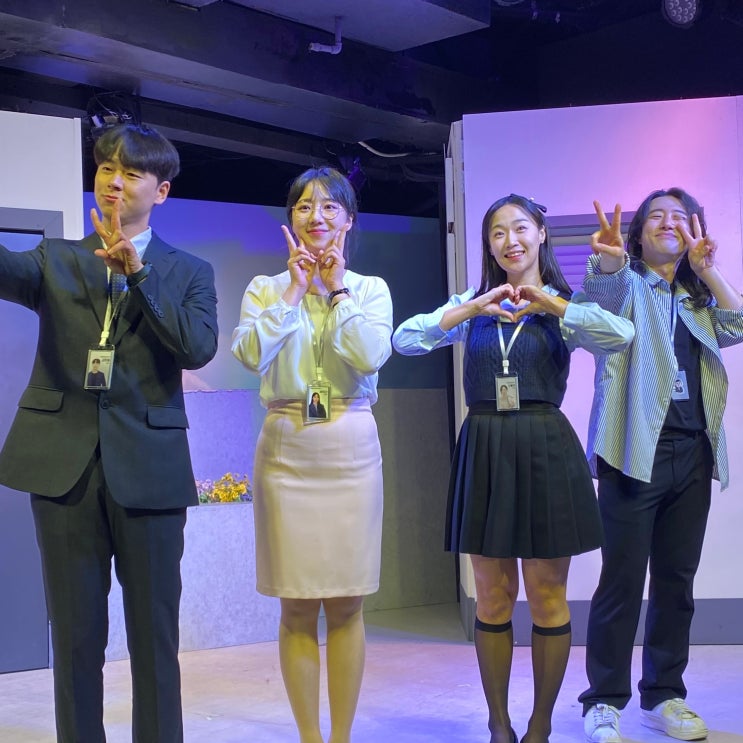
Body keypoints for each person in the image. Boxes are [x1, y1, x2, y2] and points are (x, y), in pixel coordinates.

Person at [0, 123, 219, 743]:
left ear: (161, 190)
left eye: (130, 172)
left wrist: (139, 273)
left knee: (154, 636)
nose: (113, 182)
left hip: (149, 469)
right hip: (62, 468)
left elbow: (196, 347)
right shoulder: (57, 259)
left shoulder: (189, 271)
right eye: (104, 169)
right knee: (75, 637)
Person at [393, 194, 634, 743]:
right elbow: (405, 340)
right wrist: (473, 308)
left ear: (541, 234)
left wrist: (550, 304)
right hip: (485, 446)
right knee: (493, 594)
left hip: (546, 447)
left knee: (547, 595)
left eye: (520, 228)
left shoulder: (565, 306)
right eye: (498, 232)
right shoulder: (472, 304)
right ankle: (498, 723)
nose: (510, 241)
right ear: (489, 244)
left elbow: (621, 337)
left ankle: (540, 725)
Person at [231, 166, 393, 743]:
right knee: (296, 607)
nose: (316, 216)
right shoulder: (266, 287)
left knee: (347, 604)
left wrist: (337, 289)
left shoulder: (370, 289)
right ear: (291, 219)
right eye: (304, 206)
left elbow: (369, 355)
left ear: (348, 220)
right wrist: (297, 291)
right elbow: (249, 354)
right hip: (286, 448)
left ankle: (341, 737)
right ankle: (309, 737)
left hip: (351, 445)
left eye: (329, 207)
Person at [579, 188, 743, 743]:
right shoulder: (627, 282)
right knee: (620, 583)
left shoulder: (698, 300)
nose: (668, 223)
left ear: (695, 229)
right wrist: (608, 261)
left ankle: (664, 696)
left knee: (676, 582)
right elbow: (600, 299)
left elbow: (741, 322)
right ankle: (604, 702)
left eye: (680, 217)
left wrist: (708, 268)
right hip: (631, 451)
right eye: (656, 217)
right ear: (638, 234)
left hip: (692, 451)